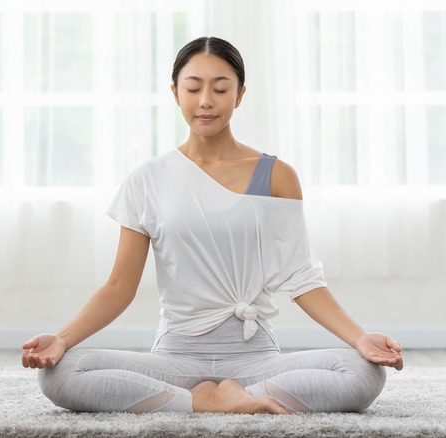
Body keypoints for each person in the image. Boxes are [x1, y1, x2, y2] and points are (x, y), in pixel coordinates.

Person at [21, 36, 403, 415]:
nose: (206, 100)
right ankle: (204, 400)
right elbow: (119, 287)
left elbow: (303, 278)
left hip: (255, 361)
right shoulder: (148, 179)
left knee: (361, 372)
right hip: (176, 360)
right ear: (175, 93)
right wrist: (61, 338)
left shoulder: (275, 176)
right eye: (193, 88)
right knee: (63, 373)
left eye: (221, 89)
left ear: (239, 95)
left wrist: (360, 337)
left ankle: (216, 398)